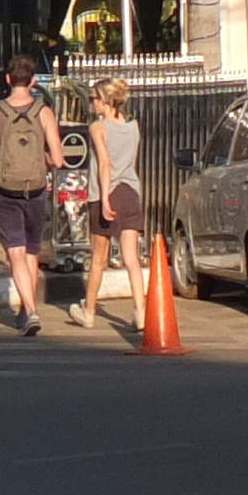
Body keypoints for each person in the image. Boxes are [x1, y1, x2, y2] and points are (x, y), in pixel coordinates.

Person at [0, 54, 58, 338]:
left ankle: (30, 310)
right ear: (34, 81)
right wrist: (40, 157)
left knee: (16, 252)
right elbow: (58, 159)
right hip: (35, 190)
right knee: (32, 250)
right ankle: (28, 308)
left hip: (5, 190)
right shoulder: (44, 112)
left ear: (8, 79)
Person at [85, 77, 146, 330]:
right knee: (131, 257)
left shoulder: (98, 127)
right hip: (131, 191)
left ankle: (88, 311)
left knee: (99, 257)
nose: (91, 103)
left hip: (107, 192)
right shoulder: (133, 126)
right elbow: (130, 160)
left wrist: (105, 197)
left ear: (106, 101)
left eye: (94, 98)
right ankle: (141, 312)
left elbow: (105, 163)